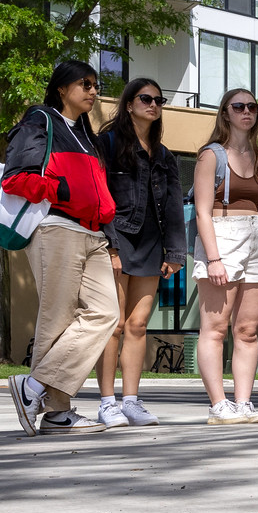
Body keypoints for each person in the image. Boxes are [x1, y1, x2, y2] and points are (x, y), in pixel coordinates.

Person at [4, 59, 120, 437]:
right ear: (61, 88)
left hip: (94, 234)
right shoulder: (40, 120)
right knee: (56, 320)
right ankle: (57, 413)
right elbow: (17, 179)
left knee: (105, 313)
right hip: (56, 228)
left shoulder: (88, 135)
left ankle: (33, 387)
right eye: (85, 84)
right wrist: (65, 192)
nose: (93, 91)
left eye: (95, 84)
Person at [95, 77, 185, 427]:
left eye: (159, 100)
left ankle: (131, 400)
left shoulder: (165, 155)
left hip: (151, 242)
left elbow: (175, 205)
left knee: (137, 324)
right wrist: (110, 244)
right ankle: (106, 402)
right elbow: (101, 197)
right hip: (118, 238)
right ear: (129, 104)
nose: (153, 105)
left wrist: (175, 251)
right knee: (113, 325)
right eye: (145, 98)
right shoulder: (107, 143)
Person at [190, 87, 258, 424]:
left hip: (257, 237)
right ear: (226, 112)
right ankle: (218, 404)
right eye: (239, 106)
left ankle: (243, 403)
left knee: (247, 329)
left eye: (252, 107)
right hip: (221, 235)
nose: (247, 112)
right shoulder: (210, 156)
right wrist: (213, 258)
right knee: (215, 329)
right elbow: (202, 212)